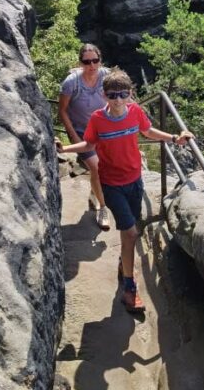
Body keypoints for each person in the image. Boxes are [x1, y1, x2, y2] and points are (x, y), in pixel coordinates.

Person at [56, 68, 194, 314]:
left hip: (135, 181)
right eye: (112, 95)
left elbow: (148, 131)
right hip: (111, 184)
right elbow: (89, 143)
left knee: (133, 229)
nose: (118, 100)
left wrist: (174, 138)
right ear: (104, 95)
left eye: (123, 94)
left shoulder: (136, 112)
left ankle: (125, 265)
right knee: (130, 233)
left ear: (131, 94)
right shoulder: (98, 119)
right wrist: (65, 149)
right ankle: (129, 288)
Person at [58, 43, 111, 230]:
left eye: (95, 60)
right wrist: (74, 137)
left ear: (100, 60)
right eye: (87, 61)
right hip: (82, 132)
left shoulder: (106, 76)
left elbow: (120, 96)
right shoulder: (71, 83)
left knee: (103, 168)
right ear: (80, 63)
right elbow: (62, 111)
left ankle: (94, 193)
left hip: (104, 130)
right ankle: (102, 209)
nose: (92, 65)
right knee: (97, 167)